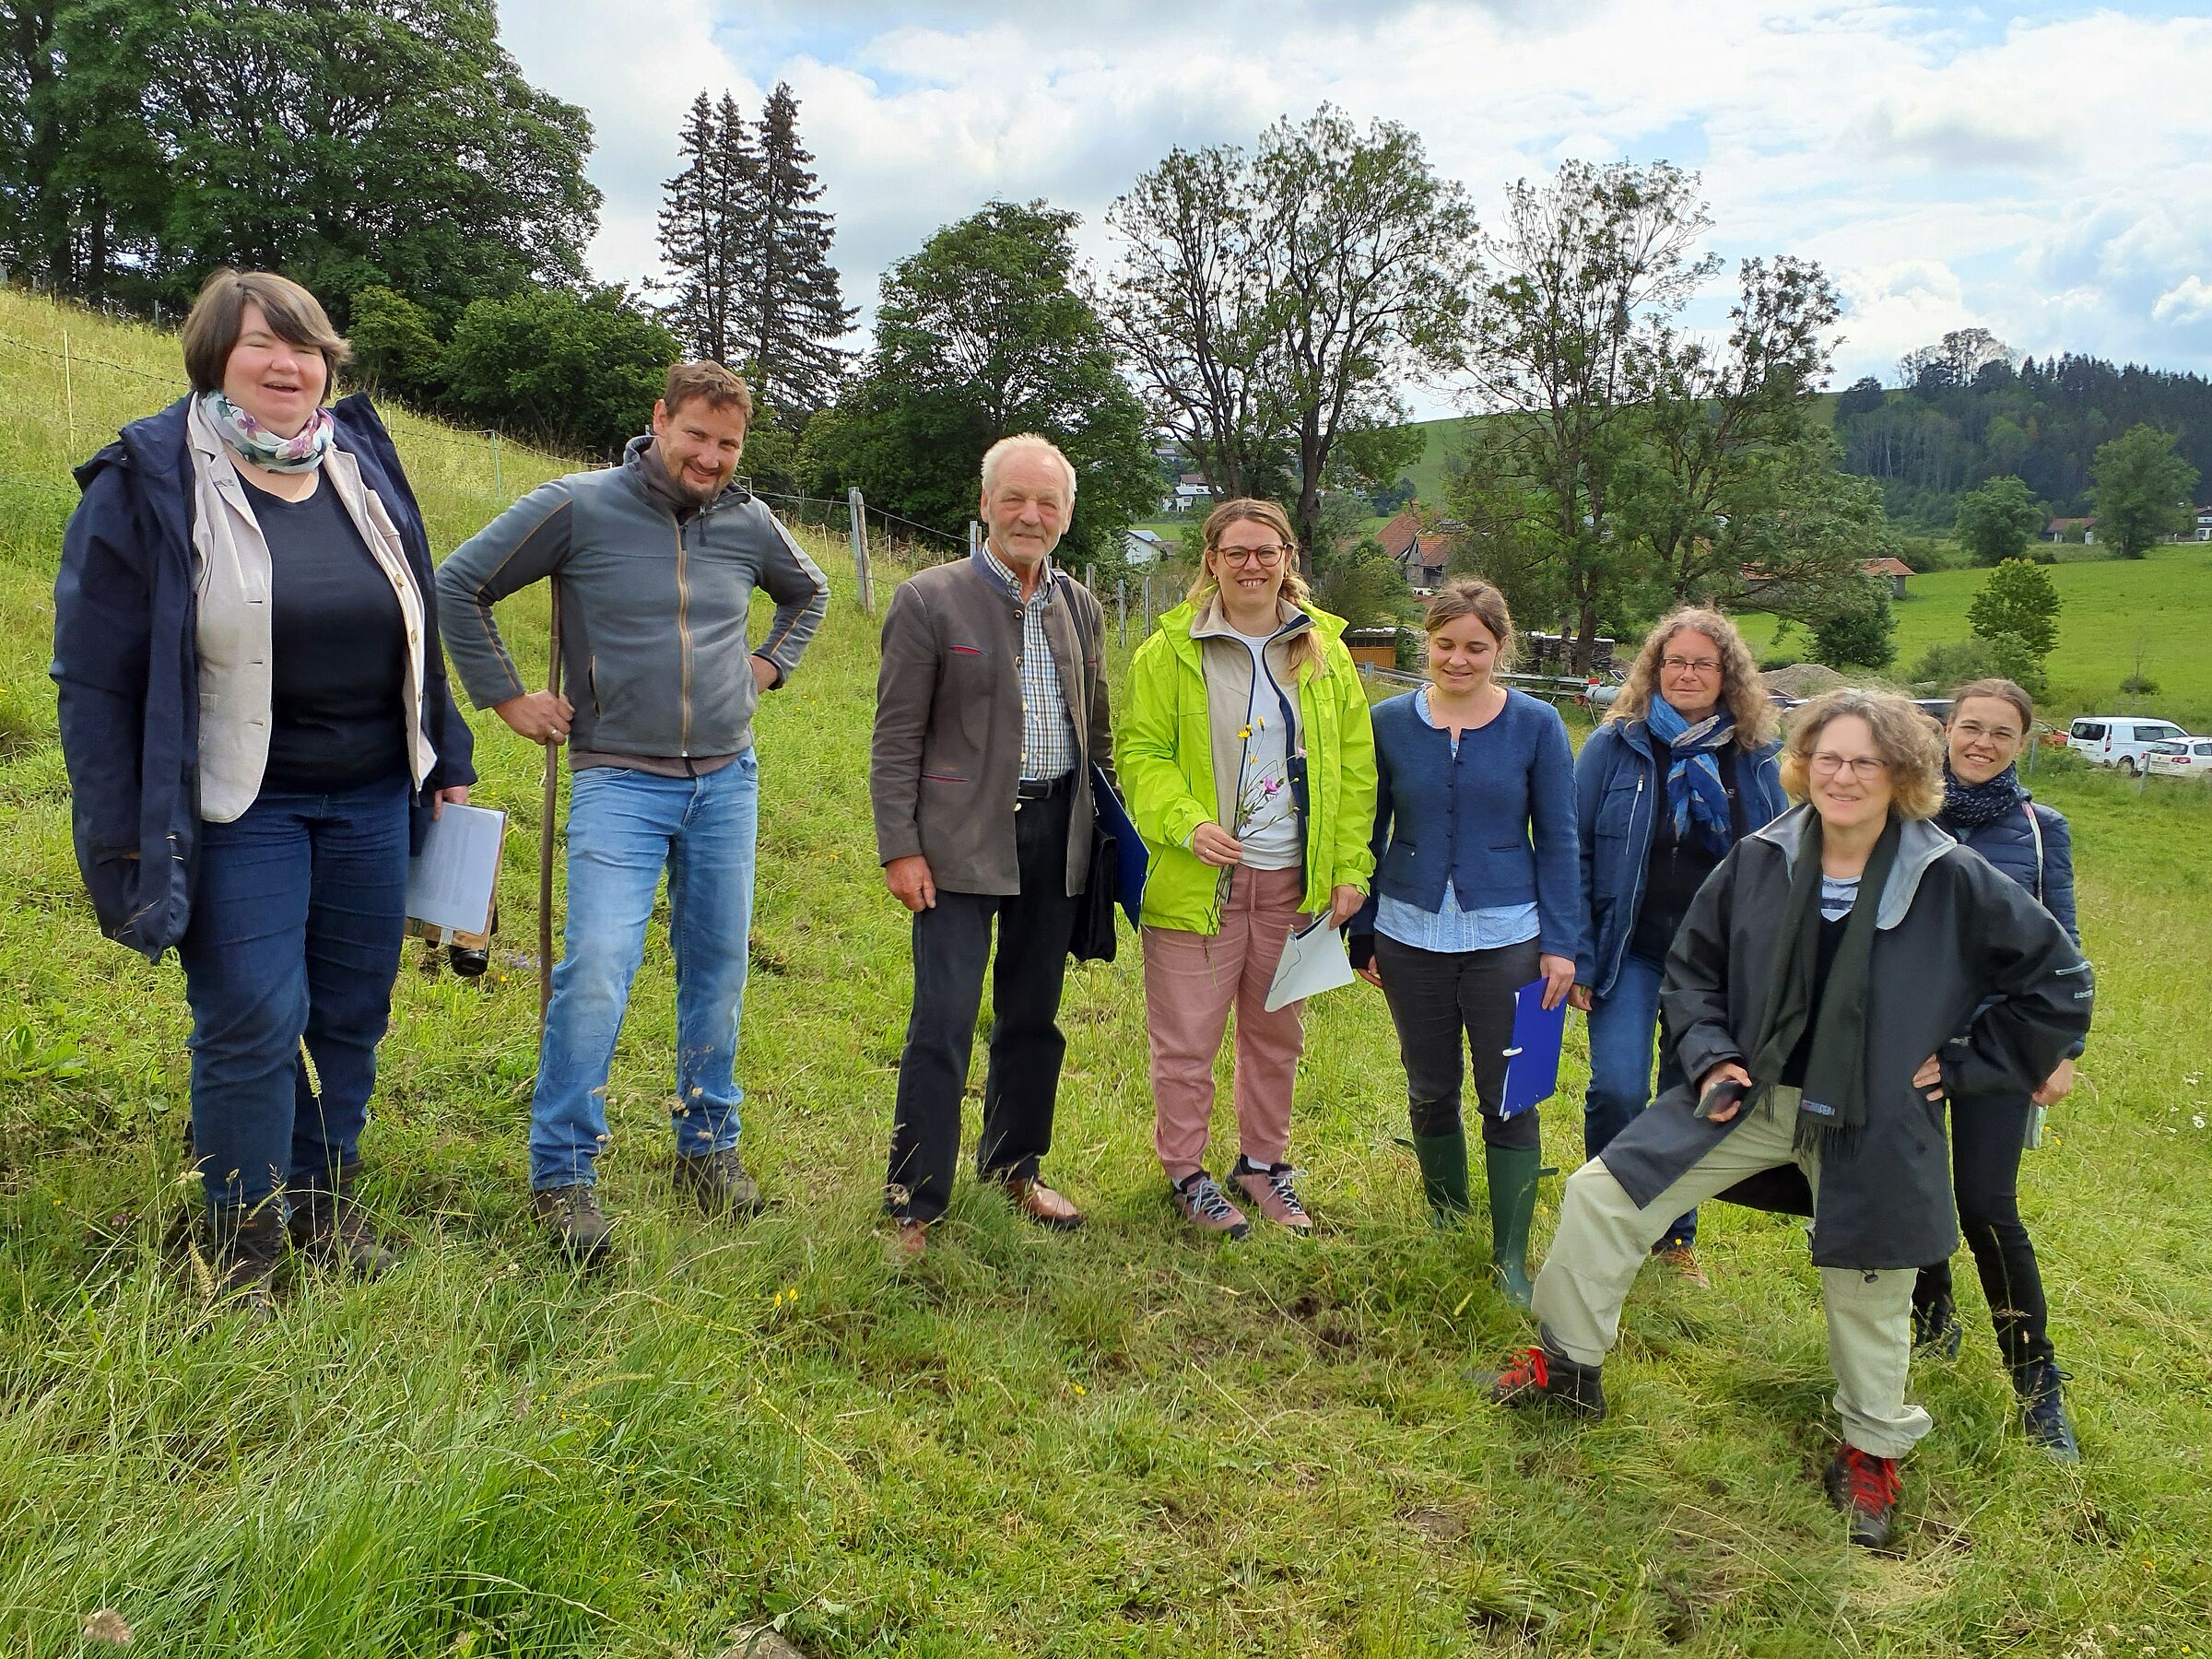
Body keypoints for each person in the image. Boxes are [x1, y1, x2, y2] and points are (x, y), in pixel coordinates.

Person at [1483, 688, 2092, 1548]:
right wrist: (1711, 1056)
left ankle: (1871, 1449)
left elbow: (2059, 982)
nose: (1844, 776)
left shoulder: (1950, 873)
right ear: (1805, 766)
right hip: (1753, 1094)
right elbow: (1692, 971)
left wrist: (1970, 1063)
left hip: (1874, 1113)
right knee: (1602, 1194)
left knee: (1872, 1277)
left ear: (1904, 775)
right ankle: (1568, 1368)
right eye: (1830, 759)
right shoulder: (1762, 856)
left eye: (1866, 762)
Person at [52, 269, 477, 1305]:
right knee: (249, 1010)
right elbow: (95, 674)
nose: (290, 366)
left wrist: (447, 756)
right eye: (262, 346)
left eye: (308, 347)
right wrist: (116, 828)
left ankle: (321, 1200)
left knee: (349, 1011)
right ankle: (240, 1244)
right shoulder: (150, 477)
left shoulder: (360, 461)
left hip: (375, 794)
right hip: (241, 805)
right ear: (215, 358)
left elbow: (415, 616)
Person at [436, 360, 828, 1259]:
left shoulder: (749, 522)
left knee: (719, 971)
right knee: (601, 966)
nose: (712, 457)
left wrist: (770, 666)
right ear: (659, 419)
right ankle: (563, 1172)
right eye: (697, 435)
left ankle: (707, 1147)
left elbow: (810, 592)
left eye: (729, 444)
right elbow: (461, 585)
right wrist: (506, 698)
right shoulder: (577, 505)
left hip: (728, 780)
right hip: (618, 779)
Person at [870, 435, 1114, 1260]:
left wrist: (1105, 839)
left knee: (1032, 1018)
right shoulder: (927, 600)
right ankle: (916, 1200)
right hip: (956, 843)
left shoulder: (1082, 607)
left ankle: (1014, 1164)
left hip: (1057, 839)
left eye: (1047, 503)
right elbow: (895, 737)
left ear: (1066, 515)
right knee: (942, 1019)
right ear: (985, 504)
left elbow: (1099, 735)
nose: (1030, 515)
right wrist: (900, 847)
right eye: (1014, 498)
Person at [1114, 499, 1376, 1239]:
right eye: (1237, 553)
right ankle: (1187, 1175)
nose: (1252, 565)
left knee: (1276, 1038)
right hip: (1198, 884)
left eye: (1267, 552)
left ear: (1288, 559)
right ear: (1212, 561)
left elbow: (1356, 766)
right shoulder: (1168, 652)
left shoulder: (1325, 650)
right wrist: (1187, 823)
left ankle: (1263, 1167)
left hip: (1295, 884)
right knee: (1187, 1042)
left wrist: (1350, 866)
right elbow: (1140, 755)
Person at [1349, 582, 1578, 1307]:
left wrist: (1563, 945)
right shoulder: (1386, 721)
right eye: (1445, 644)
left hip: (1512, 935)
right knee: (1429, 1086)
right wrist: (1364, 932)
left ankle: (1510, 1256)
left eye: (1476, 647)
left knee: (1515, 1091)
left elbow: (1562, 842)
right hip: (1409, 931)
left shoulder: (1539, 726)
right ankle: (1447, 1222)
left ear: (1499, 649)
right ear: (1427, 642)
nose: (1458, 659)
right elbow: (1366, 832)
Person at [1569, 608, 1786, 1288]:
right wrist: (1574, 952)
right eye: (1674, 662)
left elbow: (1785, 859)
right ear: (1654, 671)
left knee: (1689, 1098)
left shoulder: (1755, 759)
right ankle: (1611, 1217)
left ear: (1728, 676)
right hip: (1629, 948)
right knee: (1617, 1087)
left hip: (1717, 967)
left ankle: (1672, 1238)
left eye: (1702, 663)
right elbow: (1570, 848)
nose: (1687, 674)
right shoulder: (1617, 746)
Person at [1912, 677, 2083, 1458]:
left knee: (1985, 1203)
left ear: (2022, 744)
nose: (1981, 743)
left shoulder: (2041, 831)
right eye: (1969, 727)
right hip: (1907, 1042)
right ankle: (1929, 1313)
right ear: (1945, 730)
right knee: (1909, 1188)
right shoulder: (1905, 810)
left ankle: (2037, 1382)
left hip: (1998, 1043)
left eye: (2000, 734)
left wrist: (2061, 1050)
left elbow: (2062, 946)